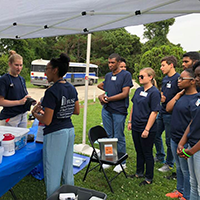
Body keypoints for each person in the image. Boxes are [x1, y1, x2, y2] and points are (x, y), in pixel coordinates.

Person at [31, 53, 80, 197]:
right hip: (69, 130)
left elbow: (46, 120)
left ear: (55, 70)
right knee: (67, 168)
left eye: (47, 69)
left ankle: (52, 197)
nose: (45, 72)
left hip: (55, 134)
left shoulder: (51, 92)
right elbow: (76, 111)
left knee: (52, 170)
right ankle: (70, 196)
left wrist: (35, 114)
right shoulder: (71, 88)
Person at [165, 68, 198, 200]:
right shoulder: (182, 96)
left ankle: (187, 195)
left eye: (182, 79)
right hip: (175, 138)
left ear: (192, 82)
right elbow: (168, 108)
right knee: (179, 168)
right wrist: (178, 95)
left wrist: (184, 142)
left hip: (187, 141)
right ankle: (180, 190)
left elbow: (193, 122)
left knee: (187, 171)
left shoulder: (196, 99)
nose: (178, 81)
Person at [98, 53, 133, 173]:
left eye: (112, 62)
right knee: (108, 134)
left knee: (118, 136)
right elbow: (105, 88)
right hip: (107, 109)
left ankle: (122, 162)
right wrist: (103, 95)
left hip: (119, 110)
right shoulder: (108, 76)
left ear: (118, 63)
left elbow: (125, 94)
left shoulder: (126, 75)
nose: (110, 65)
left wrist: (109, 98)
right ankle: (109, 159)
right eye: (109, 62)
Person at [128, 67, 161, 185]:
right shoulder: (138, 90)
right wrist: (130, 121)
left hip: (146, 127)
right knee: (139, 151)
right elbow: (134, 106)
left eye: (142, 76)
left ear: (150, 77)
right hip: (136, 125)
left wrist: (147, 129)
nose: (140, 78)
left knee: (147, 153)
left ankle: (148, 178)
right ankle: (139, 172)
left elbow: (154, 112)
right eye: (139, 76)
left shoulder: (154, 92)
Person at [177, 61, 200, 200]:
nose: (197, 79)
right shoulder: (198, 98)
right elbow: (193, 121)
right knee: (193, 183)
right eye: (196, 75)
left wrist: (193, 150)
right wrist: (182, 142)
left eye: (199, 75)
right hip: (192, 145)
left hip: (197, 149)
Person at [154, 56, 180, 172]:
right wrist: (162, 97)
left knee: (169, 140)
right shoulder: (165, 79)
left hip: (172, 114)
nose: (161, 68)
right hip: (162, 111)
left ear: (171, 65)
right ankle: (160, 156)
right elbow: (164, 92)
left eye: (163, 65)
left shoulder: (179, 79)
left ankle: (169, 164)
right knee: (155, 134)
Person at [0, 50, 30, 127]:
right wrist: (19, 102)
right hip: (10, 117)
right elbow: (1, 101)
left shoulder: (22, 79)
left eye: (21, 65)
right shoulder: (4, 79)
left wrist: (29, 100)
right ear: (10, 64)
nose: (19, 68)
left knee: (22, 138)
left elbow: (23, 96)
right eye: (16, 65)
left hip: (23, 115)